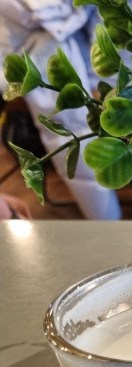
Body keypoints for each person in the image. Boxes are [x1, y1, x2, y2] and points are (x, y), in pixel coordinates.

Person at [0, 0, 122, 219]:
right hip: (27, 44)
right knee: (69, 126)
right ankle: (106, 218)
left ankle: (107, 217)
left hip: (78, 40)